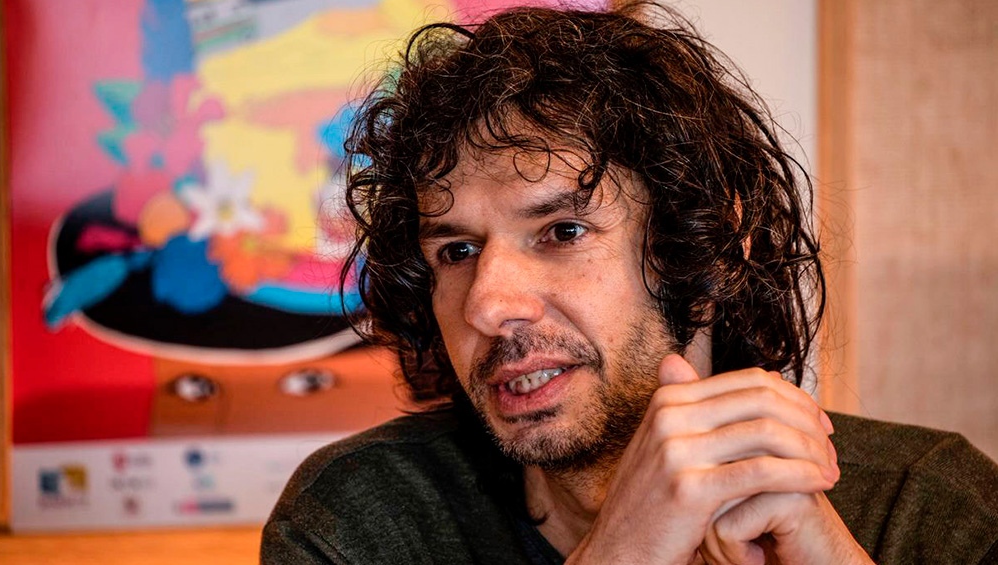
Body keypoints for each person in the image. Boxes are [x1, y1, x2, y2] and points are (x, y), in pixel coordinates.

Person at [261, 3, 998, 563]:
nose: (486, 304)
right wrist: (624, 549)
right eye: (456, 250)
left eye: (563, 232)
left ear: (711, 246)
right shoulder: (361, 522)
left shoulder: (928, 509)